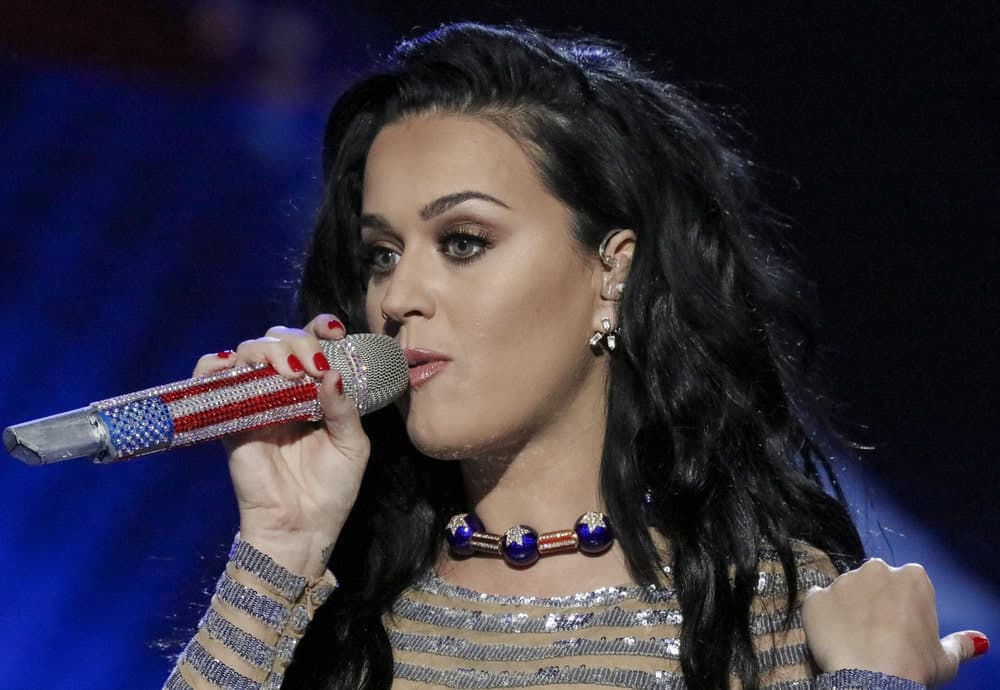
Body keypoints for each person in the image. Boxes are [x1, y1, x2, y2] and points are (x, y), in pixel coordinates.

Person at [163, 22, 987, 690]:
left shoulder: (764, 610)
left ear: (611, 272)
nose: (397, 296)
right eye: (381, 253)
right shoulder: (335, 614)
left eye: (462, 241)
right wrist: (278, 551)